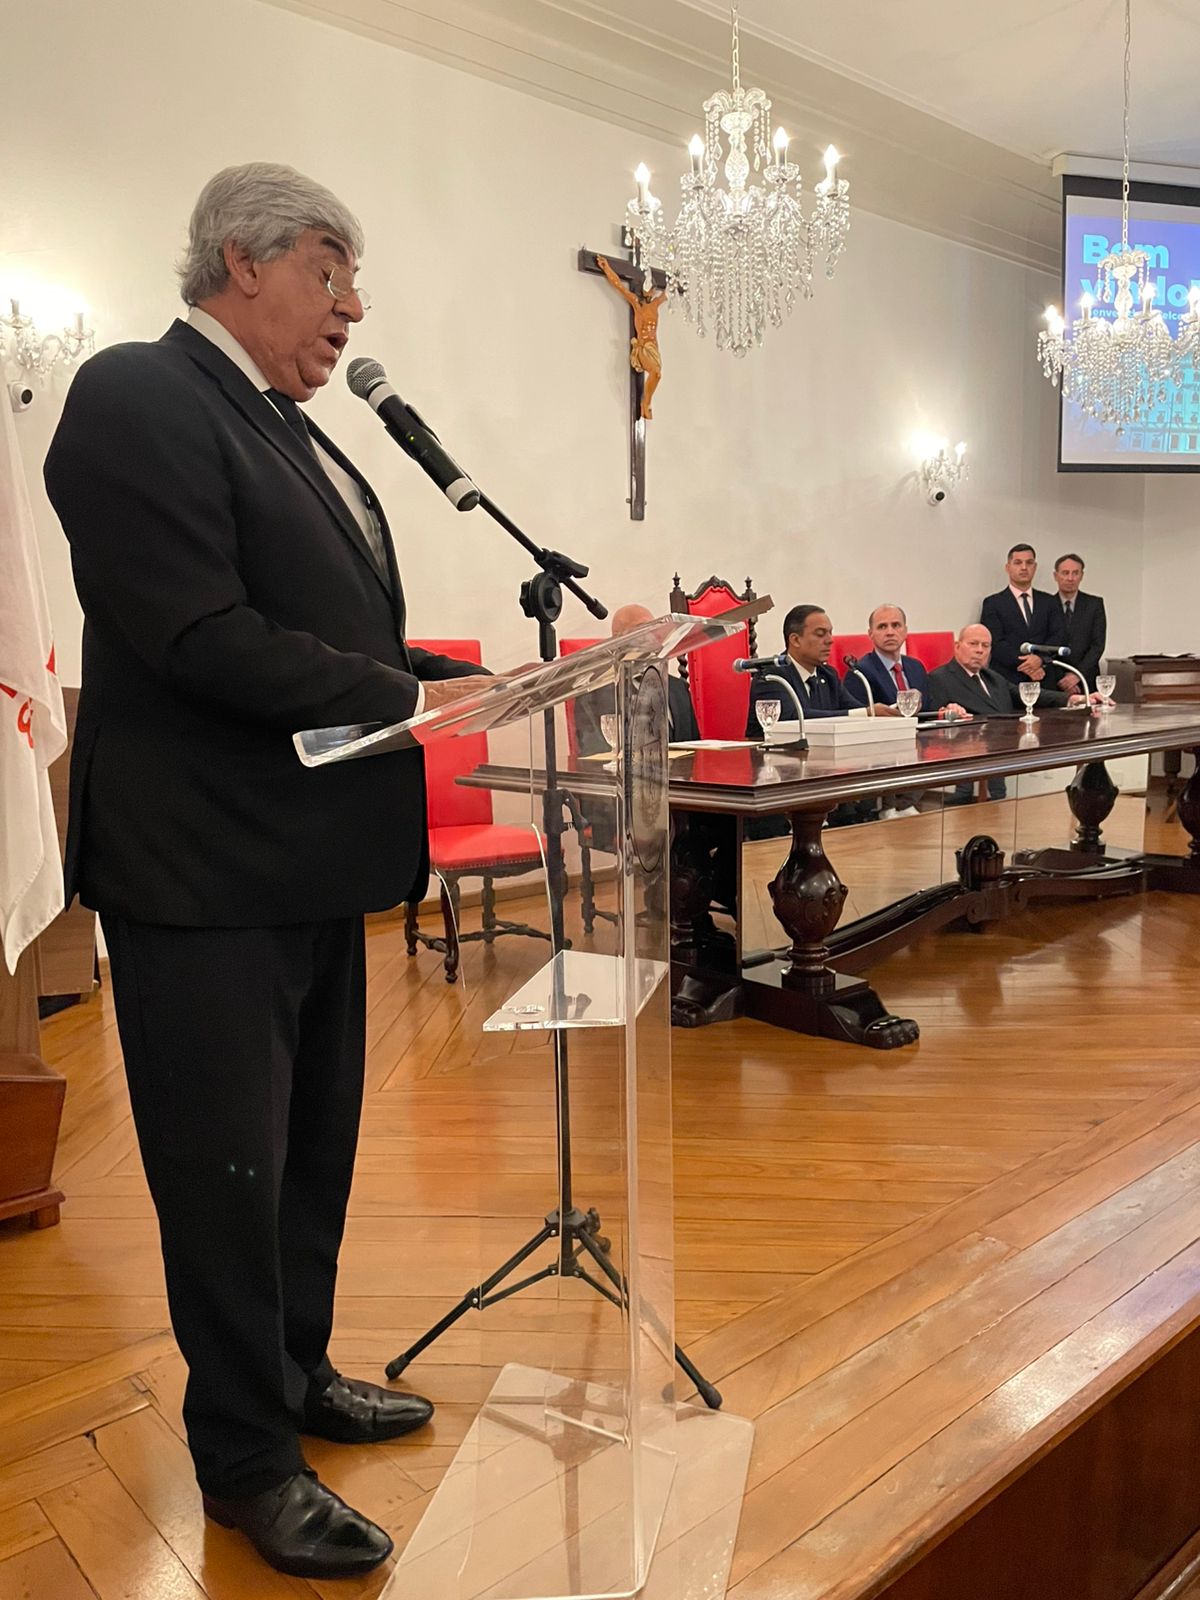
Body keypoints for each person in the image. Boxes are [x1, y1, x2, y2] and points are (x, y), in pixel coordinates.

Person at [43, 163, 494, 1581]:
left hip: (302, 864)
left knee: (306, 1156)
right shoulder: (137, 392)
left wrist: (441, 674)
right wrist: (402, 695)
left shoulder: (287, 426)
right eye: (329, 271)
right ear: (242, 262)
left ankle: (294, 1375)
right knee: (225, 1178)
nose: (351, 308)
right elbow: (198, 634)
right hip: (202, 876)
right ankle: (243, 1459)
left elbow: (321, 627)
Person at [926, 624, 1082, 803]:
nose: (980, 650)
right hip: (970, 757)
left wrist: (1071, 699)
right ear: (957, 646)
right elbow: (935, 717)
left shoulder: (992, 677)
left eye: (985, 646)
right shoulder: (940, 678)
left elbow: (1024, 694)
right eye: (973, 644)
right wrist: (950, 712)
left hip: (1004, 750)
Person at [842, 603, 965, 819]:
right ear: (870, 634)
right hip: (882, 744)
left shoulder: (915, 666)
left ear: (905, 631)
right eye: (882, 627)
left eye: (896, 625)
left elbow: (928, 709)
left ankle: (906, 803)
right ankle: (888, 806)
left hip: (917, 740)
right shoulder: (861, 671)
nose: (890, 632)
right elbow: (858, 717)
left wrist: (945, 710)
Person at [746, 604, 898, 733]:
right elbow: (793, 718)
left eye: (830, 633)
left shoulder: (828, 675)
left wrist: (884, 711)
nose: (830, 640)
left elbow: (856, 710)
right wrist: (866, 712)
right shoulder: (771, 676)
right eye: (820, 634)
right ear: (795, 640)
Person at [574, 603, 698, 753]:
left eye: (654, 629)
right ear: (618, 641)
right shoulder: (594, 695)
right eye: (642, 629)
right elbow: (593, 753)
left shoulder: (678, 689)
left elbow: (696, 749)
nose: (651, 636)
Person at [979, 543, 1062, 688]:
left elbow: (1058, 636)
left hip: (1044, 677)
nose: (1024, 567)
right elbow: (996, 642)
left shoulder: (1050, 601)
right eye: (1018, 563)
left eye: (1029, 563)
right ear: (1007, 567)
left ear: (1035, 567)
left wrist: (1039, 659)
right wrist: (1028, 665)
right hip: (1008, 679)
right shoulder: (993, 603)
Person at [595, 255, 667, 419]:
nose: (650, 291)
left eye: (652, 288)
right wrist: (607, 268)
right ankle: (646, 403)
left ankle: (646, 403)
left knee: (657, 374)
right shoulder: (637, 303)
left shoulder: (655, 305)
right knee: (656, 373)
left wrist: (680, 277)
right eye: (648, 287)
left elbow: (671, 291)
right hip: (642, 348)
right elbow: (619, 285)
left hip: (654, 349)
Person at [1049, 552, 1107, 694]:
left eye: (1075, 573)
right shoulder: (1046, 605)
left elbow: (1097, 645)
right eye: (1065, 573)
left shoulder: (1094, 604)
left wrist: (1077, 675)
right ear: (1056, 576)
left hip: (1087, 679)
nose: (1070, 578)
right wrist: (1063, 679)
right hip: (1055, 682)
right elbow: (1044, 646)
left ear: (1082, 575)